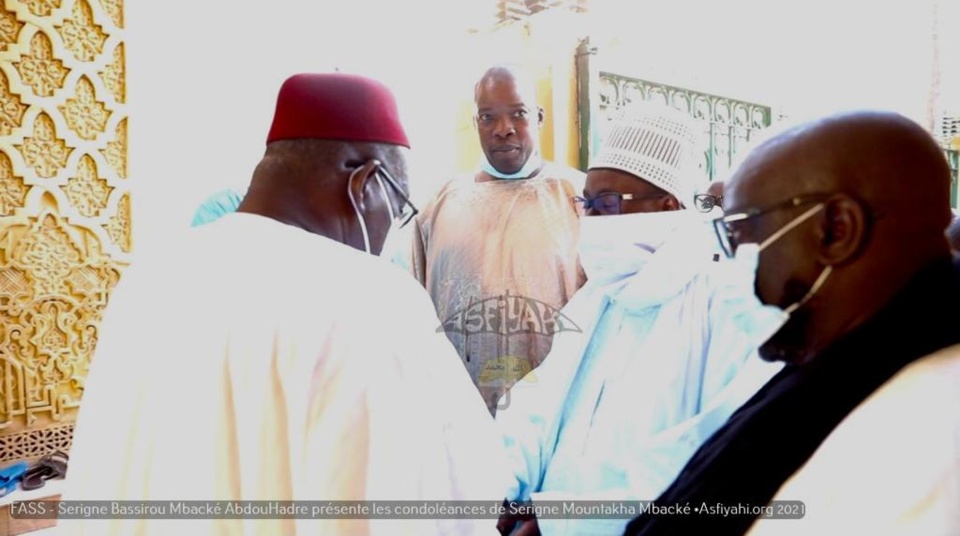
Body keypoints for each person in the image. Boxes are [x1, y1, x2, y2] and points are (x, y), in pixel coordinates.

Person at [62, 73, 509, 536]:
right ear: (366, 184)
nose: (388, 229)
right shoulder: (373, 301)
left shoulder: (148, 281)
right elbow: (454, 495)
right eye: (396, 210)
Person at [626, 110, 960, 535]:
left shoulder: (925, 428)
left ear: (835, 230)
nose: (732, 263)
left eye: (740, 234)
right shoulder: (846, 359)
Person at [495, 104, 781, 536]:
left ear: (668, 206)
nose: (590, 221)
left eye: (607, 205)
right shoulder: (595, 299)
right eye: (586, 204)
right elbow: (534, 411)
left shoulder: (722, 304)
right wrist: (497, 486)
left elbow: (703, 463)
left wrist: (559, 522)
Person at [401, 64, 587, 415]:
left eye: (518, 114)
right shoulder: (439, 206)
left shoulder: (577, 198)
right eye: (488, 117)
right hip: (457, 414)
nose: (504, 130)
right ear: (475, 124)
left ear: (539, 117)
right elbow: (414, 310)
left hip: (555, 412)